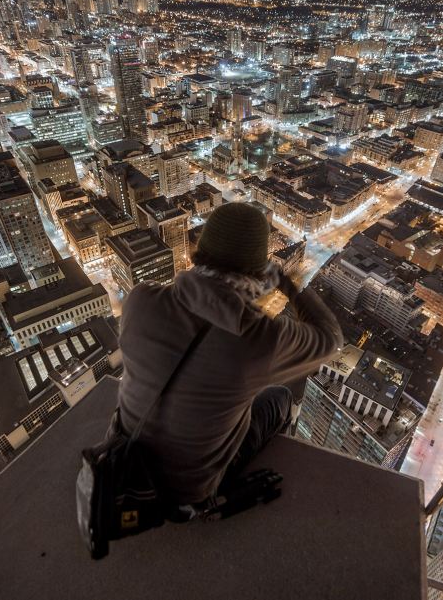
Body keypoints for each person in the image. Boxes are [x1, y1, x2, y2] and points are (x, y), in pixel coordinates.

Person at [117, 202, 343, 507]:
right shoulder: (257, 340)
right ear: (256, 272)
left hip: (123, 460)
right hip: (189, 491)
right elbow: (331, 340)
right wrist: (288, 284)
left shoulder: (139, 301)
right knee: (277, 398)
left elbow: (198, 305)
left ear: (200, 253)